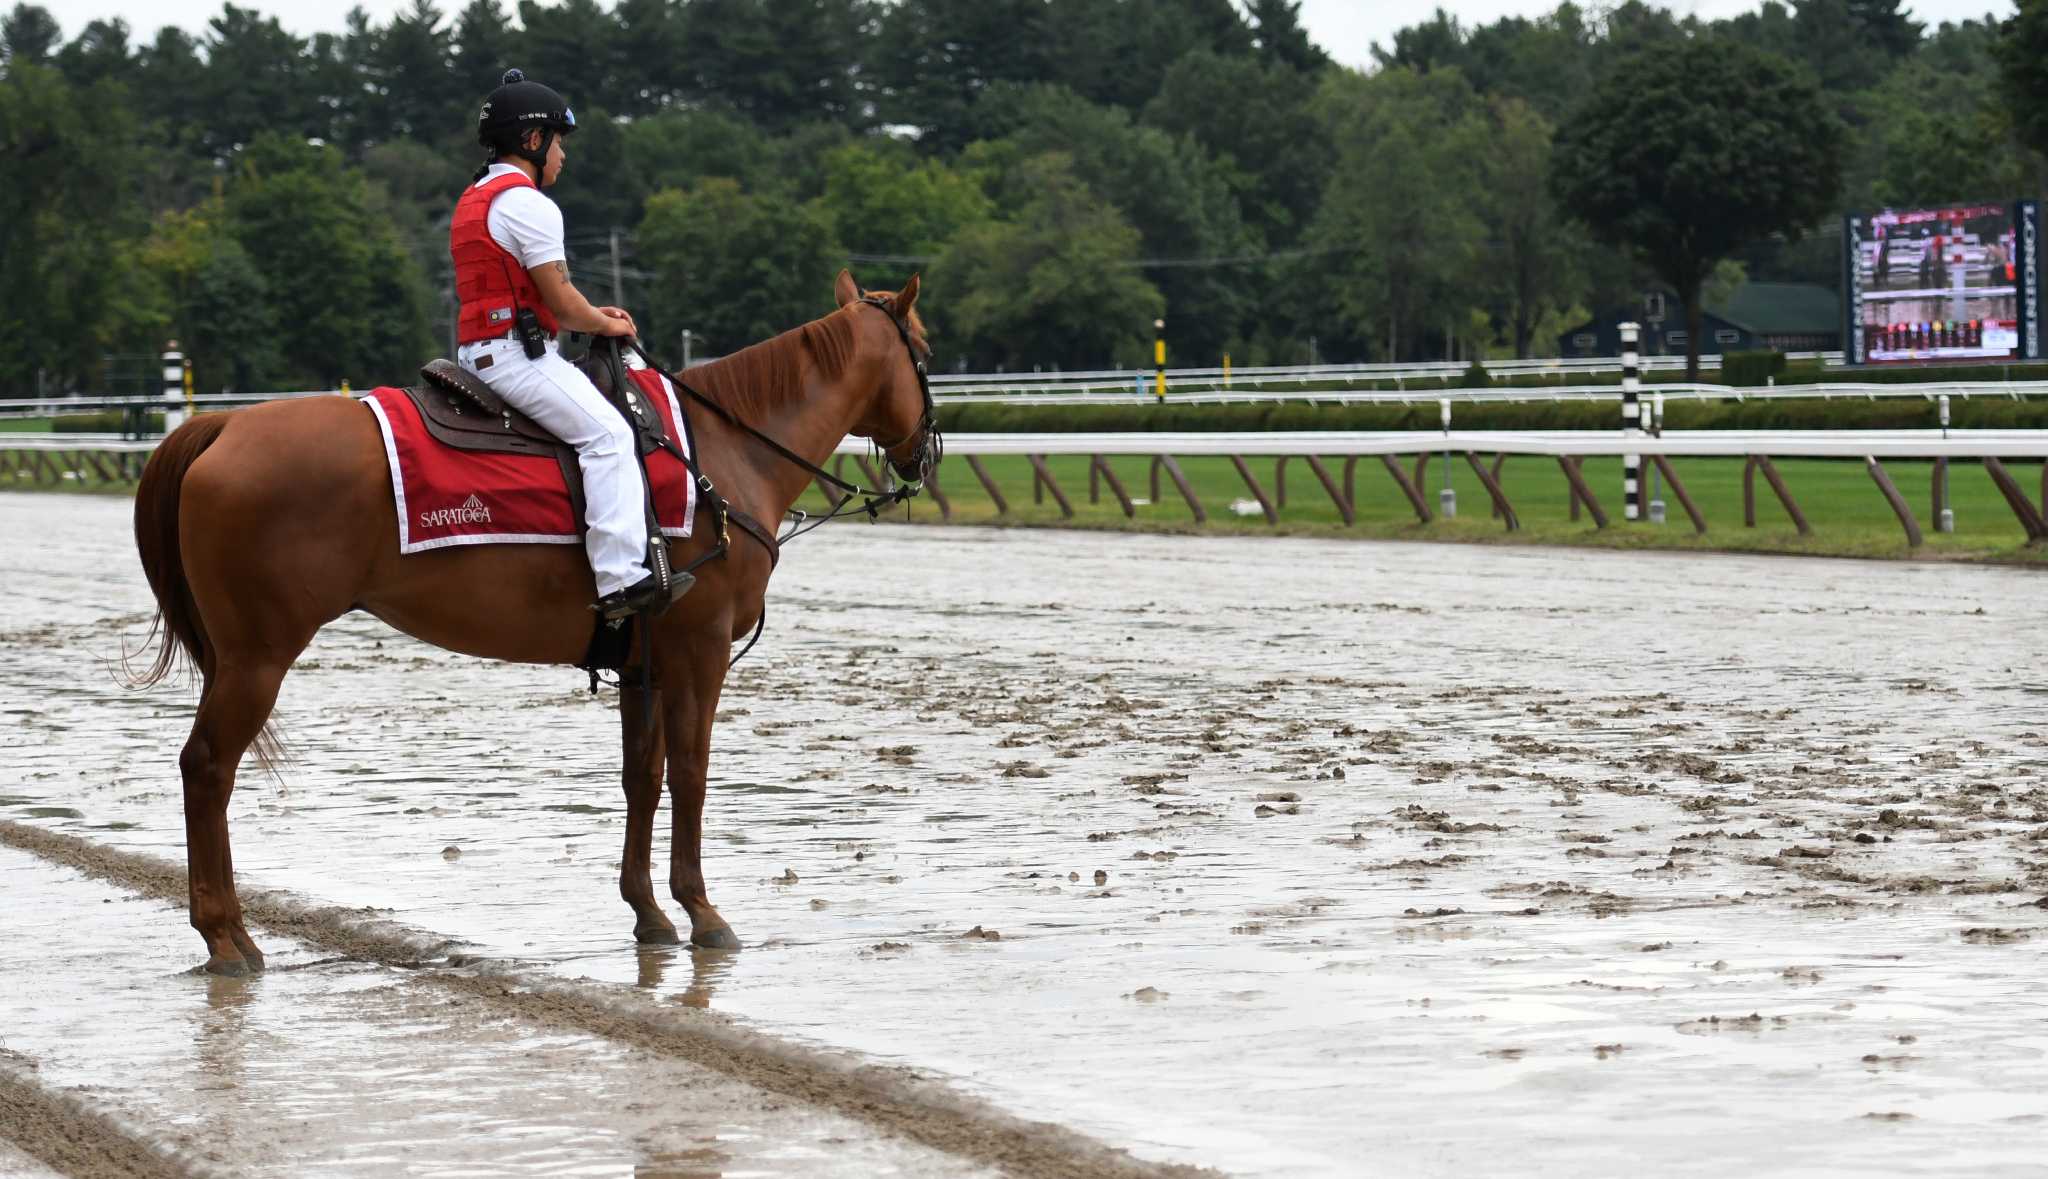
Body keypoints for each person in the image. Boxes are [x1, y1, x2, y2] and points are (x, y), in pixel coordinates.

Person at [452, 68, 673, 619]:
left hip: (480, 351)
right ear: (533, 141)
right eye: (559, 143)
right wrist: (606, 324)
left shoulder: (476, 196)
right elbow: (562, 298)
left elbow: (541, 297)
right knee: (610, 437)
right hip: (515, 360)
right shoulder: (529, 204)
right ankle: (620, 580)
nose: (563, 157)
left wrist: (593, 316)